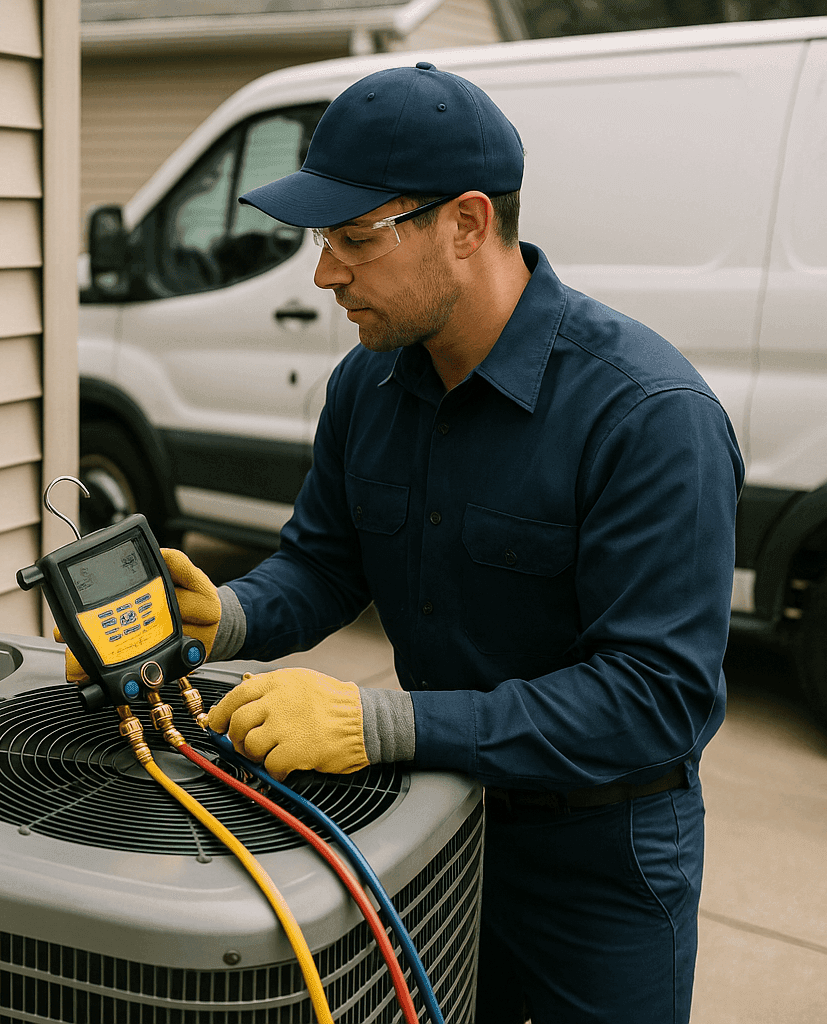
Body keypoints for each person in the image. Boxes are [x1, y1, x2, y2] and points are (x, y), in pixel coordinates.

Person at [119, 64, 738, 1023]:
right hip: (427, 836)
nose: (326, 274)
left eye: (355, 239)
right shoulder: (366, 389)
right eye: (323, 241)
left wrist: (381, 727)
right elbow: (326, 563)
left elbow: (657, 696)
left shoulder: (649, 416)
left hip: (599, 868)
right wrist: (231, 613)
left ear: (467, 224)